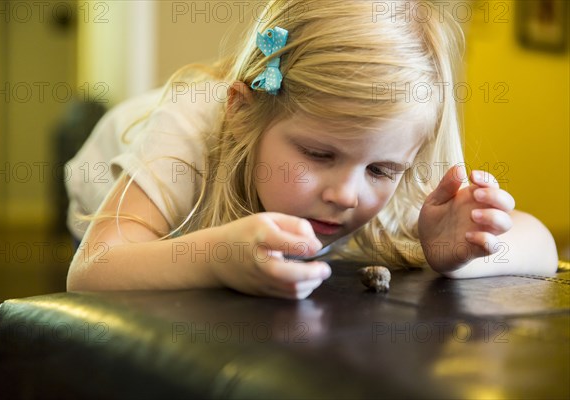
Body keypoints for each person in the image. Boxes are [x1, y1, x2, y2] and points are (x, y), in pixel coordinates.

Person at [66, 0, 558, 299]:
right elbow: (94, 269)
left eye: (382, 169)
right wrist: (215, 257)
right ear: (241, 112)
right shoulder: (189, 132)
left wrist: (466, 252)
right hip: (108, 183)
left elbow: (542, 245)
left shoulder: (383, 164)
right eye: (320, 156)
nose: (347, 193)